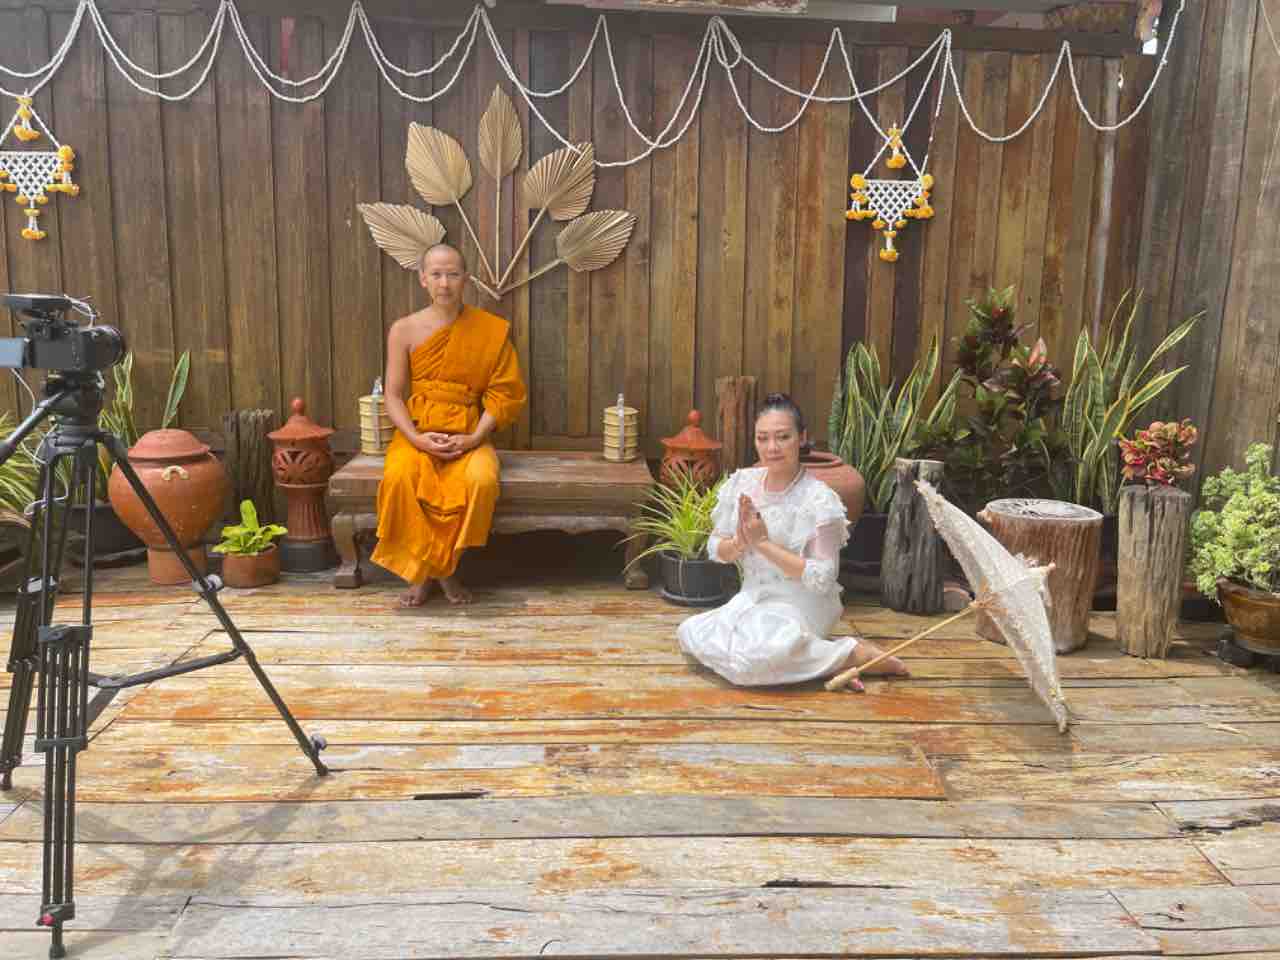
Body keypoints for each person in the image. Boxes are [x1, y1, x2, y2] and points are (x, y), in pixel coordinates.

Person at [677, 393, 909, 686]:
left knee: (749, 664)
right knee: (689, 632)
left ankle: (854, 654)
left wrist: (763, 543)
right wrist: (739, 543)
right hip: (752, 598)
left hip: (802, 603)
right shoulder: (741, 483)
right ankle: (824, 660)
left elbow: (822, 577)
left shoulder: (820, 499)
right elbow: (716, 548)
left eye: (783, 437)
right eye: (762, 438)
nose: (771, 447)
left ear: (802, 438)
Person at [371, 243, 527, 606]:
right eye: (437, 274)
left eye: (453, 274)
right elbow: (392, 395)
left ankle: (440, 567)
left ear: (465, 279)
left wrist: (474, 438)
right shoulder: (404, 330)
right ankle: (431, 574)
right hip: (417, 431)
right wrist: (416, 439)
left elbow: (505, 394)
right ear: (423, 279)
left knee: (481, 481)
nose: (445, 283)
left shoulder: (489, 330)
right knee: (399, 478)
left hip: (469, 433)